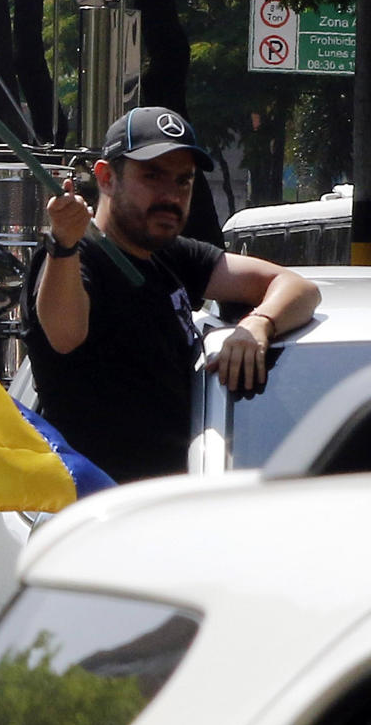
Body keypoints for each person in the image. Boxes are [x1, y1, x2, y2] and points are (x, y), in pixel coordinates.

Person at [23, 107, 320, 484]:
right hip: (100, 512)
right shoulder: (72, 260)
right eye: (153, 176)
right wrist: (63, 244)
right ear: (107, 177)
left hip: (188, 500)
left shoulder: (175, 256)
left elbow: (298, 288)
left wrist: (257, 326)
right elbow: (65, 336)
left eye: (184, 181)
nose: (171, 195)